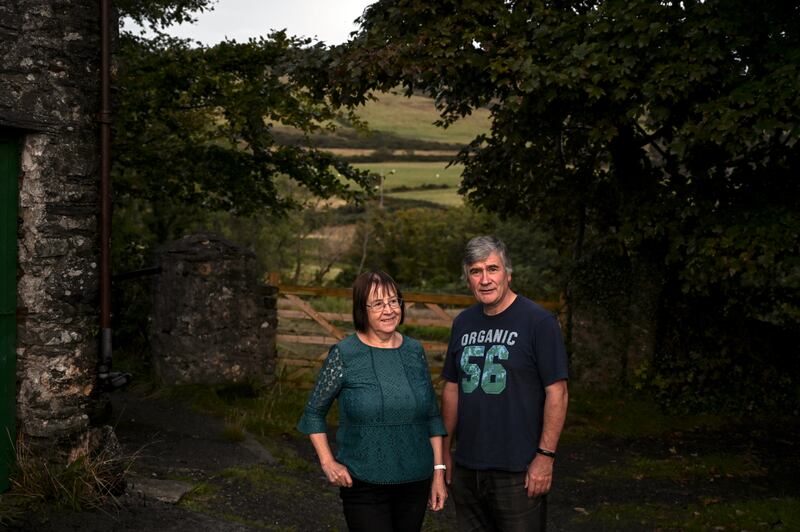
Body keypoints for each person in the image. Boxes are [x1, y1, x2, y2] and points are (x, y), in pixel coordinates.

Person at [297, 270, 448, 531]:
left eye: (393, 301)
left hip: (415, 481)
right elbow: (313, 414)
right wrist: (328, 462)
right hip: (364, 484)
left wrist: (438, 472)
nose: (389, 310)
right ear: (362, 310)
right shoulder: (345, 354)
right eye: (378, 303)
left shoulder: (414, 351)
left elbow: (432, 417)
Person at [441, 236, 569, 531]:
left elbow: (557, 393)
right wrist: (446, 450)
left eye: (492, 269)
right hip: (468, 466)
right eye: (476, 271)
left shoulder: (538, 322)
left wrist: (545, 457)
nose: (485, 279)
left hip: (518, 469)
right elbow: (452, 387)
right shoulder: (462, 323)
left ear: (508, 274)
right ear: (467, 279)